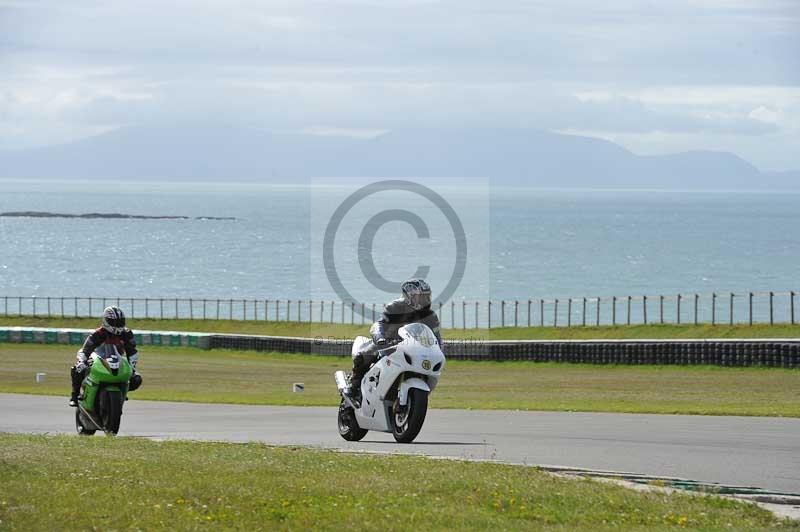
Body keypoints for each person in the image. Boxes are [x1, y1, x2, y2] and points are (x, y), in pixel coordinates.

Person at [347, 278, 443, 400]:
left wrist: (438, 351)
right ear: (410, 296)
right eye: (421, 297)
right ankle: (354, 383)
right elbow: (379, 325)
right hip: (389, 345)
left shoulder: (430, 316)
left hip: (414, 349)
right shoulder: (394, 307)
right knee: (365, 354)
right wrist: (380, 338)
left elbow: (436, 338)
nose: (425, 300)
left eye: (426, 296)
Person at [69, 306, 142, 407]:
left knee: (137, 379)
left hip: (117, 361)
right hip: (97, 360)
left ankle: (121, 393)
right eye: (115, 322)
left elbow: (132, 352)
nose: (118, 325)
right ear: (106, 321)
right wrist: (81, 362)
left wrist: (132, 369)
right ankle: (75, 396)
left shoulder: (127, 334)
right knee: (77, 369)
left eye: (120, 322)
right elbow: (85, 350)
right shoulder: (97, 334)